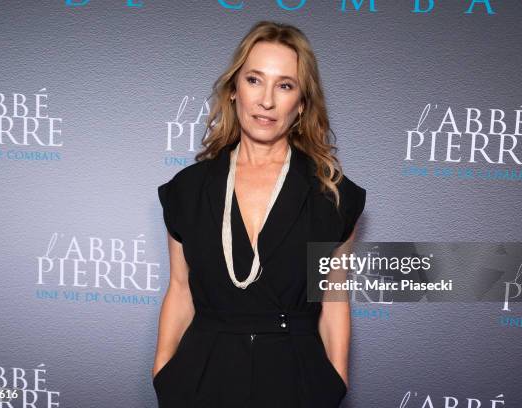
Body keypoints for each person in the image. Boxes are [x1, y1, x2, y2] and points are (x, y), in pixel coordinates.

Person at [152, 20, 366, 408]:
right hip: (201, 377)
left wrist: (334, 380)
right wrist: (164, 372)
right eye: (254, 80)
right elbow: (180, 288)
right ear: (234, 90)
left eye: (285, 85)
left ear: (301, 103)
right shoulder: (188, 189)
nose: (266, 100)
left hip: (297, 379)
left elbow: (333, 296)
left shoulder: (331, 194)